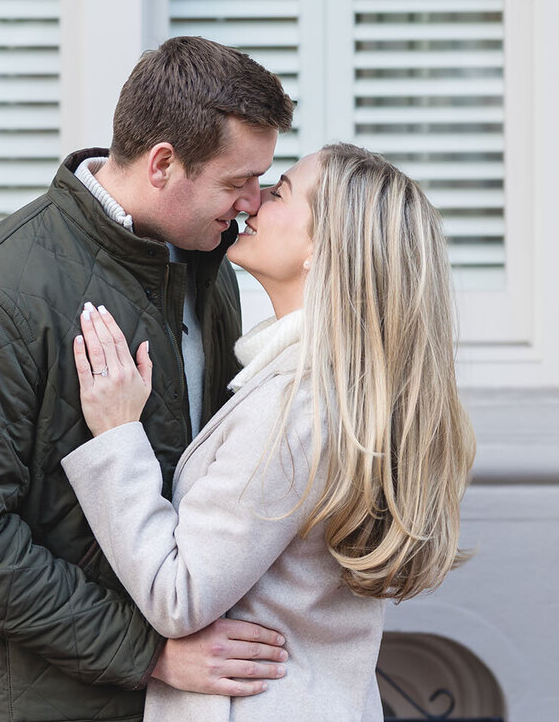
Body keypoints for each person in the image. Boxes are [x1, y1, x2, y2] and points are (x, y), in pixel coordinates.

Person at [0, 37, 294, 722]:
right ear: (164, 164)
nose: (252, 203)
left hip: (183, 701)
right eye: (238, 182)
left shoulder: (209, 268)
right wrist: (149, 653)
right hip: (50, 702)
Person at [61, 143, 477, 720]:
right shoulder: (336, 391)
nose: (251, 202)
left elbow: (176, 593)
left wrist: (116, 435)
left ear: (323, 249)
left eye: (279, 193)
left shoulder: (297, 405)